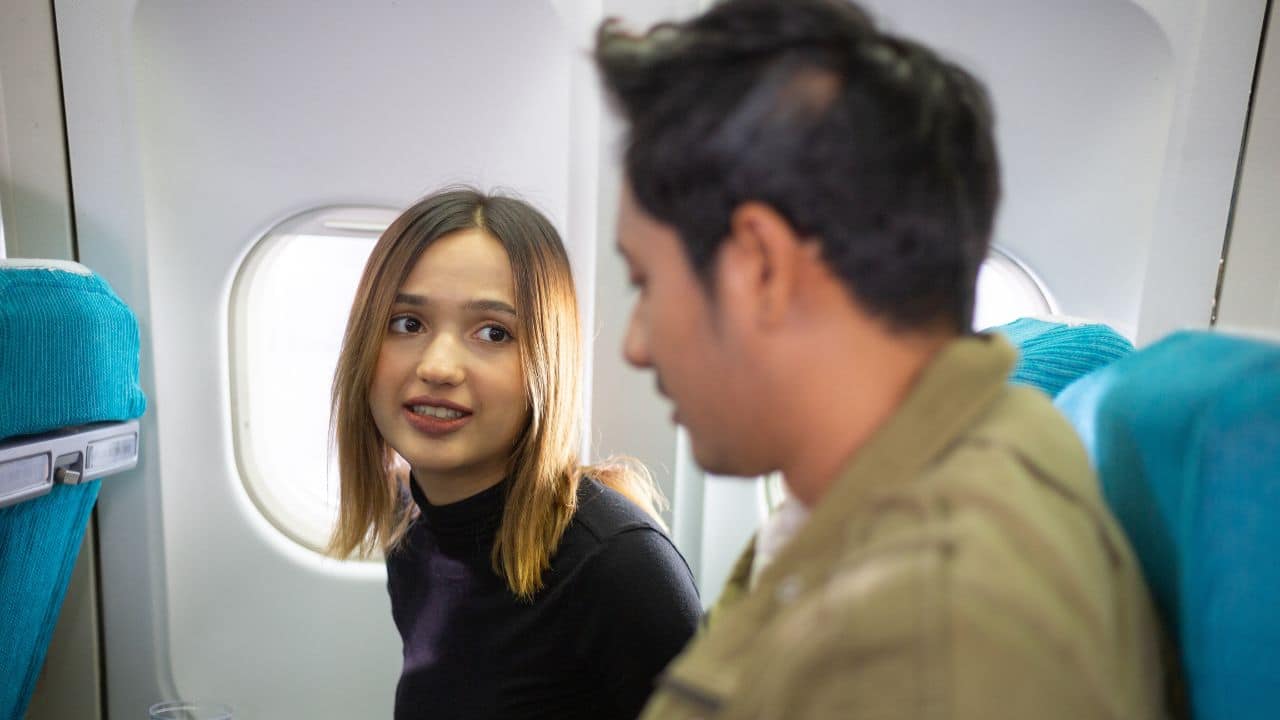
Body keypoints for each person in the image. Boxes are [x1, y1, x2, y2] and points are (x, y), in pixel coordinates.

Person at [595, 1, 1168, 718]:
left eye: (648, 284)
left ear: (761, 268)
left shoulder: (925, 626)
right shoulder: (944, 461)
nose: (635, 344)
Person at [327, 188, 700, 720]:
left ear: (544, 366)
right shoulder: (409, 520)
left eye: (493, 332)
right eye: (408, 323)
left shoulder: (620, 569)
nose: (438, 366)